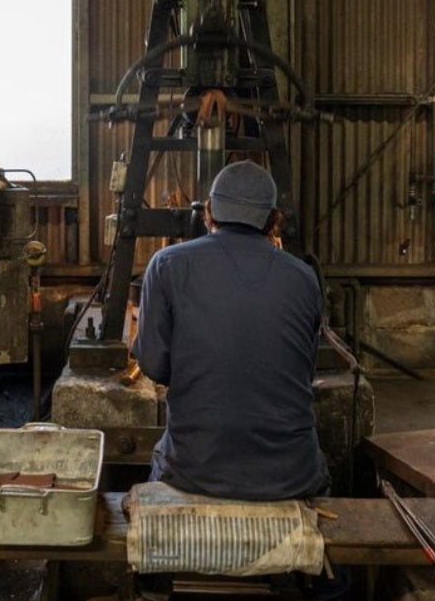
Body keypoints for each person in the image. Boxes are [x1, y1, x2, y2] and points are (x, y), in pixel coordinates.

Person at [131, 158, 330, 501]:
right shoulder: (303, 277)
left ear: (207, 213)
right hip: (291, 474)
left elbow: (154, 366)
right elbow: (304, 370)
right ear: (273, 221)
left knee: (164, 457)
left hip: (195, 470)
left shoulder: (167, 265)